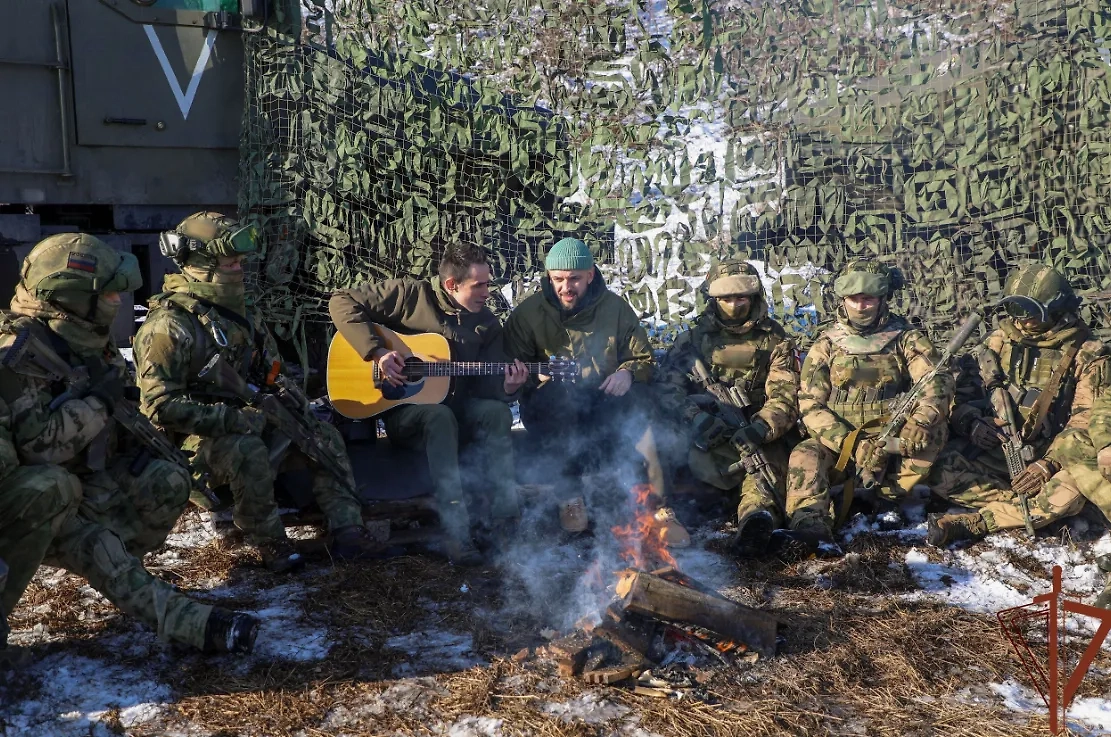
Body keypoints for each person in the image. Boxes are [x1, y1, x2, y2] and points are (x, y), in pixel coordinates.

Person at [0, 233, 257, 653]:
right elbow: (39, 445)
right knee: (95, 544)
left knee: (168, 479)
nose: (119, 302)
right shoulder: (20, 353)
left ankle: (121, 569)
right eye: (109, 294)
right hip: (37, 497)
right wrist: (99, 402)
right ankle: (182, 619)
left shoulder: (84, 338)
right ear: (71, 297)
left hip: (81, 477)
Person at [133, 212, 379, 573]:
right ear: (201, 260)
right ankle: (270, 542)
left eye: (239, 258)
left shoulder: (243, 313)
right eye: (229, 259)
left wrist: (291, 404)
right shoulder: (168, 326)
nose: (239, 266)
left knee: (321, 434)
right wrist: (234, 418)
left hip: (251, 415)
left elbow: (270, 370)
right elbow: (158, 406)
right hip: (193, 443)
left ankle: (347, 528)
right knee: (247, 448)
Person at [329, 242, 527, 566]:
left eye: (488, 283)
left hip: (459, 411)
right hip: (408, 416)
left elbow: (487, 386)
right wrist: (378, 353)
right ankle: (457, 533)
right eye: (479, 285)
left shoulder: (488, 324)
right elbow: (341, 301)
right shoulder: (410, 296)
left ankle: (507, 524)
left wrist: (507, 386)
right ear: (452, 285)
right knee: (439, 417)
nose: (487, 292)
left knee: (496, 413)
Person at [926, 264, 1109, 546]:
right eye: (1014, 311)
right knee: (937, 470)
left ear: (1055, 309)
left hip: (1054, 458)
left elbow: (1085, 421)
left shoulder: (1087, 352)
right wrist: (972, 423)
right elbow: (960, 397)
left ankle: (983, 520)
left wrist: (1048, 465)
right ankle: (1029, 509)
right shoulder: (999, 340)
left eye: (1030, 312)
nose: (1021, 320)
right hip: (1000, 450)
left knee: (1068, 493)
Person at [784, 259, 953, 551]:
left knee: (932, 436)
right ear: (842, 300)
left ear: (882, 298)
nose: (861, 306)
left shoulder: (906, 338)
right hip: (840, 446)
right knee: (804, 454)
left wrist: (921, 419)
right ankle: (810, 524)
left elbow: (936, 381)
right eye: (854, 299)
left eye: (868, 299)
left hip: (892, 439)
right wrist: (852, 442)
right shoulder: (827, 345)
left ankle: (889, 498)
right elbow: (810, 406)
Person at [504, 237, 658, 531]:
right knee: (559, 397)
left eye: (574, 278)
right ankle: (569, 497)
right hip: (551, 415)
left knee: (642, 401)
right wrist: (523, 383)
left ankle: (647, 501)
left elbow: (644, 359)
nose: (566, 287)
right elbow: (512, 374)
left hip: (601, 407)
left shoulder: (615, 309)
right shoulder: (527, 315)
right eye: (558, 279)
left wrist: (628, 372)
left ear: (590, 275)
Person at [658, 259, 799, 555]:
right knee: (658, 441)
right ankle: (660, 513)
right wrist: (696, 419)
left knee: (762, 472)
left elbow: (785, 396)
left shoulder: (776, 340)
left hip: (756, 431)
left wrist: (760, 429)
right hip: (703, 430)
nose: (733, 305)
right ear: (713, 299)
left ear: (754, 297)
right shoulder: (693, 339)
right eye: (725, 299)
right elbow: (666, 389)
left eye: (741, 298)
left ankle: (753, 520)